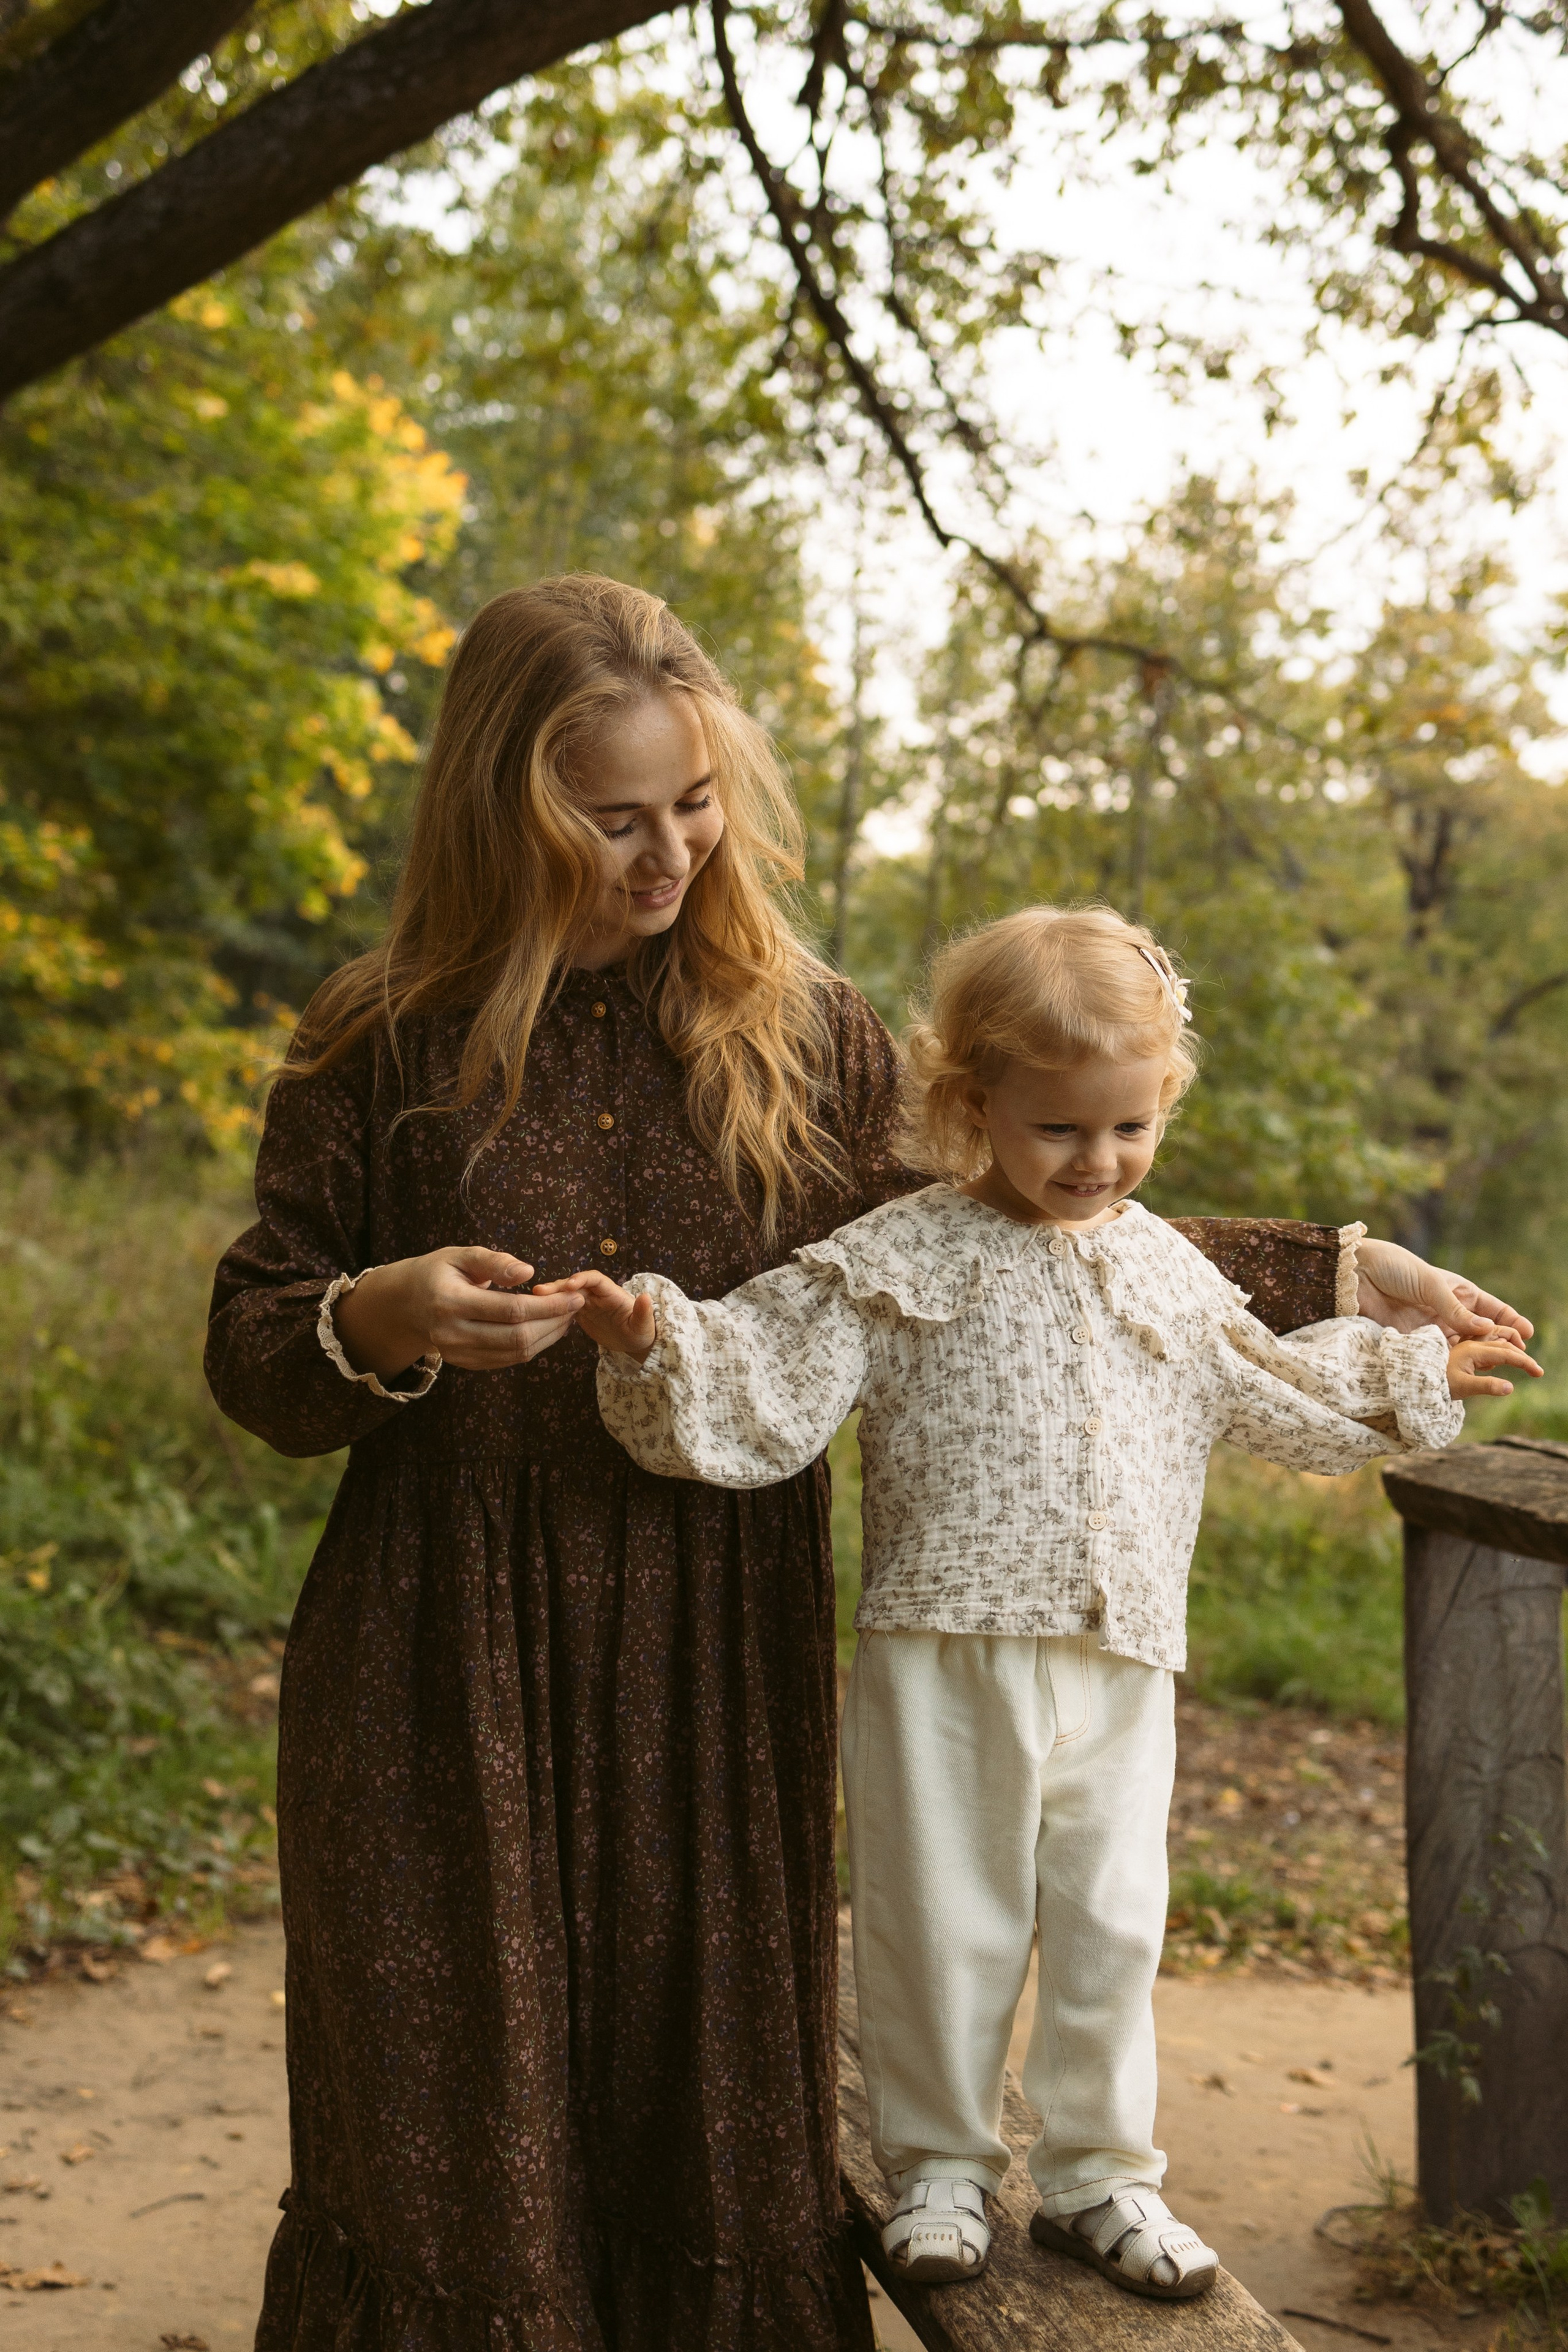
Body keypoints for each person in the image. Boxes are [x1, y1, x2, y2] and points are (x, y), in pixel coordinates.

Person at [206, 578, 1532, 2352]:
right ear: (501, 807)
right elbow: (254, 1345)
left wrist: (1348, 1271)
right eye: (612, 818)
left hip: (707, 1644)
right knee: (451, 2111)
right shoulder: (379, 1036)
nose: (668, 853)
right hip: (446, 1644)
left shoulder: (802, 1030)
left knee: (697, 2108)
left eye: (695, 802)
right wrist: (373, 1314)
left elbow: (1023, 1231)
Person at [547, 905, 1540, 2307]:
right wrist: (663, 1343)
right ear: (973, 1105)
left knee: (1110, 1922)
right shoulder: (902, 1254)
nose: (1099, 1160)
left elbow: (1273, 1385)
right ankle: (939, 2168)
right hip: (940, 1653)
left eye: (1131, 1127)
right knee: (937, 1917)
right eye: (1059, 1128)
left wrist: (1410, 1370)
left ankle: (1098, 2178)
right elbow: (771, 1369)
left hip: (1121, 1656)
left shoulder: (1163, 1269)